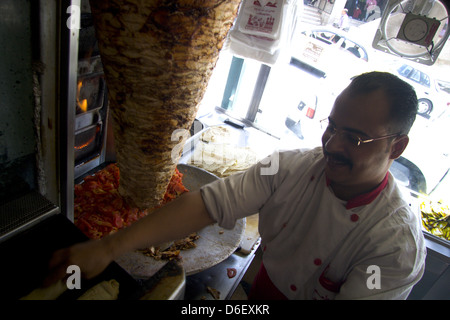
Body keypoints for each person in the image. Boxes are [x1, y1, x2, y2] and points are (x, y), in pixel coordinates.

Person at [46, 72, 426, 300]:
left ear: (397, 147)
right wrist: (108, 247)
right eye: (332, 127)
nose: (332, 145)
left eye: (355, 139)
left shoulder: (393, 243)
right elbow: (208, 204)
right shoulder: (290, 165)